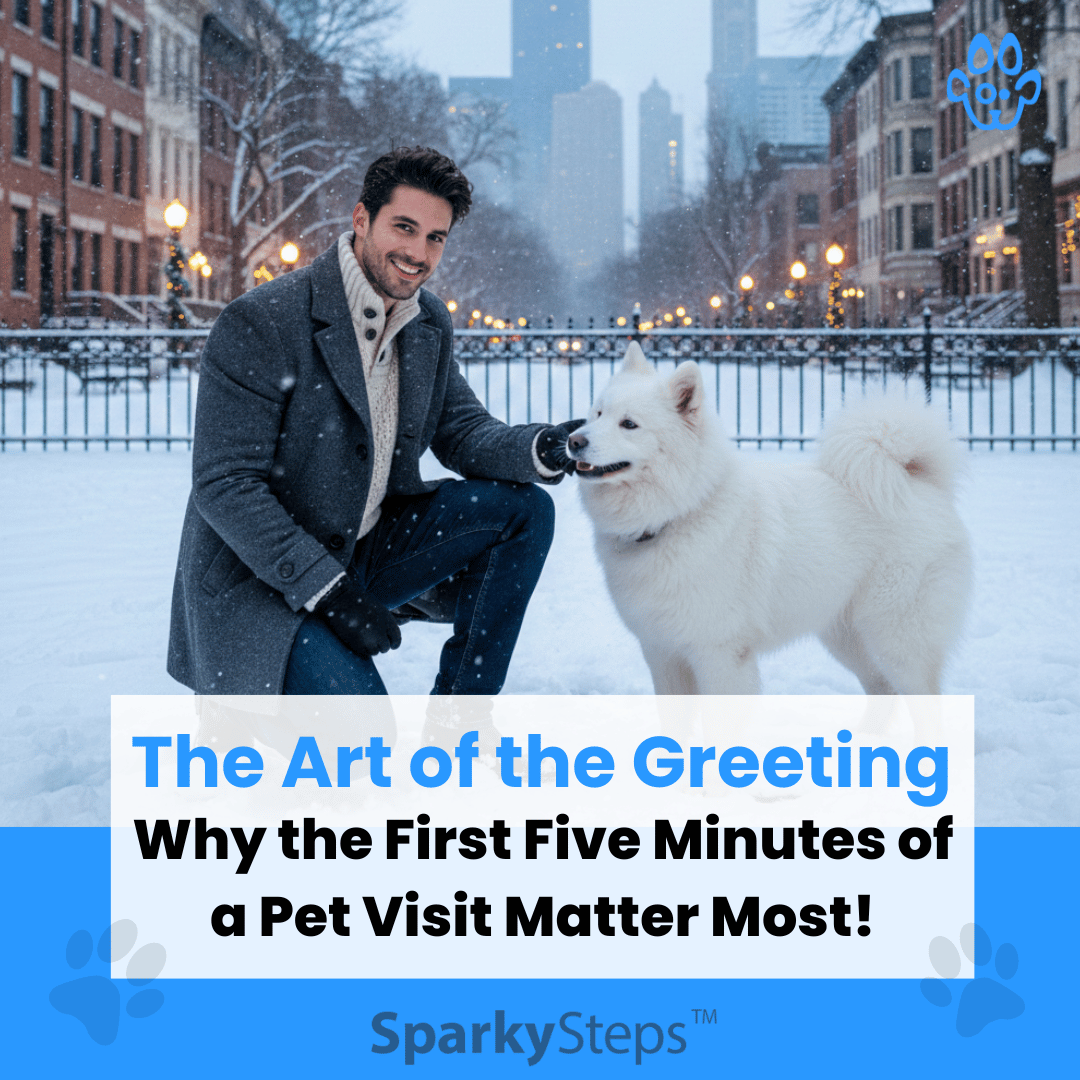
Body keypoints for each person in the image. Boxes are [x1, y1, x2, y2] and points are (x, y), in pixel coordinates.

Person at [168, 146, 582, 699]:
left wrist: (545, 447)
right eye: (404, 227)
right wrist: (330, 592)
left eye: (435, 237)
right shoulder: (262, 321)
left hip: (364, 551)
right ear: (361, 219)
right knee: (362, 741)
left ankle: (460, 718)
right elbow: (225, 486)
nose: (418, 252)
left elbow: (462, 432)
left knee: (525, 510)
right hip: (262, 580)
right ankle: (247, 708)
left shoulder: (425, 322)